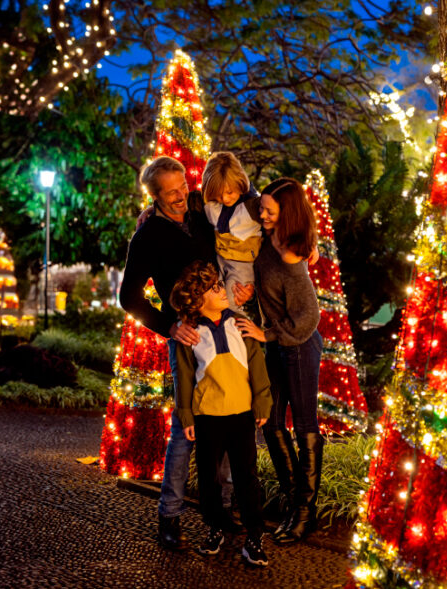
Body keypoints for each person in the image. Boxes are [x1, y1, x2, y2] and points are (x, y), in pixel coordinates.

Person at [118, 156, 233, 551]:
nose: (183, 194)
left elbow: (243, 205)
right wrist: (169, 326)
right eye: (172, 192)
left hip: (224, 325)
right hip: (185, 337)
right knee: (185, 432)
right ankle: (169, 517)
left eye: (183, 185)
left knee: (232, 418)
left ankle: (226, 512)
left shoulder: (201, 208)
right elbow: (128, 298)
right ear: (155, 197)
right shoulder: (147, 235)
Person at [235, 178, 324, 545]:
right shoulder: (269, 236)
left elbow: (309, 317)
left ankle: (305, 513)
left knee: (304, 426)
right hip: (278, 345)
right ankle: (292, 503)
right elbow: (245, 194)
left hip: (300, 346)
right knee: (270, 423)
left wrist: (266, 334)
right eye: (264, 208)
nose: (263, 213)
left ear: (287, 214)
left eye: (271, 210)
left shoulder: (292, 256)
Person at [169, 260, 272, 566]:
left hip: (241, 416)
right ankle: (214, 528)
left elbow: (257, 367)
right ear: (199, 300)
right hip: (206, 418)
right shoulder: (189, 335)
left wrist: (262, 403)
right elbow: (184, 378)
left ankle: (254, 536)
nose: (221, 289)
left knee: (246, 478)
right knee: (209, 480)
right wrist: (186, 415)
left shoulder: (241, 324)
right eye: (214, 288)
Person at [201, 152, 262, 315]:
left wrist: (310, 244)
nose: (224, 198)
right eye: (218, 194)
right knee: (210, 299)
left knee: (232, 300)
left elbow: (284, 218)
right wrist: (153, 210)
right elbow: (186, 204)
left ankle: (238, 334)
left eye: (229, 192)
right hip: (220, 258)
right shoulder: (212, 206)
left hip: (242, 263)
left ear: (239, 183)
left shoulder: (254, 205)